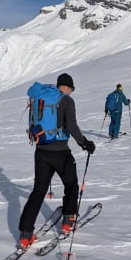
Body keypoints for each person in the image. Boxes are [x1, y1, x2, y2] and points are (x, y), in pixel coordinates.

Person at [18, 73, 95, 249]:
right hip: (60, 152)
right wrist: (85, 143)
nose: (71, 93)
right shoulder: (66, 101)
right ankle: (68, 220)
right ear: (67, 87)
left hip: (41, 151)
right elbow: (72, 126)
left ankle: (25, 234)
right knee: (71, 184)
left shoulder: (41, 97)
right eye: (71, 89)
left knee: (38, 192)